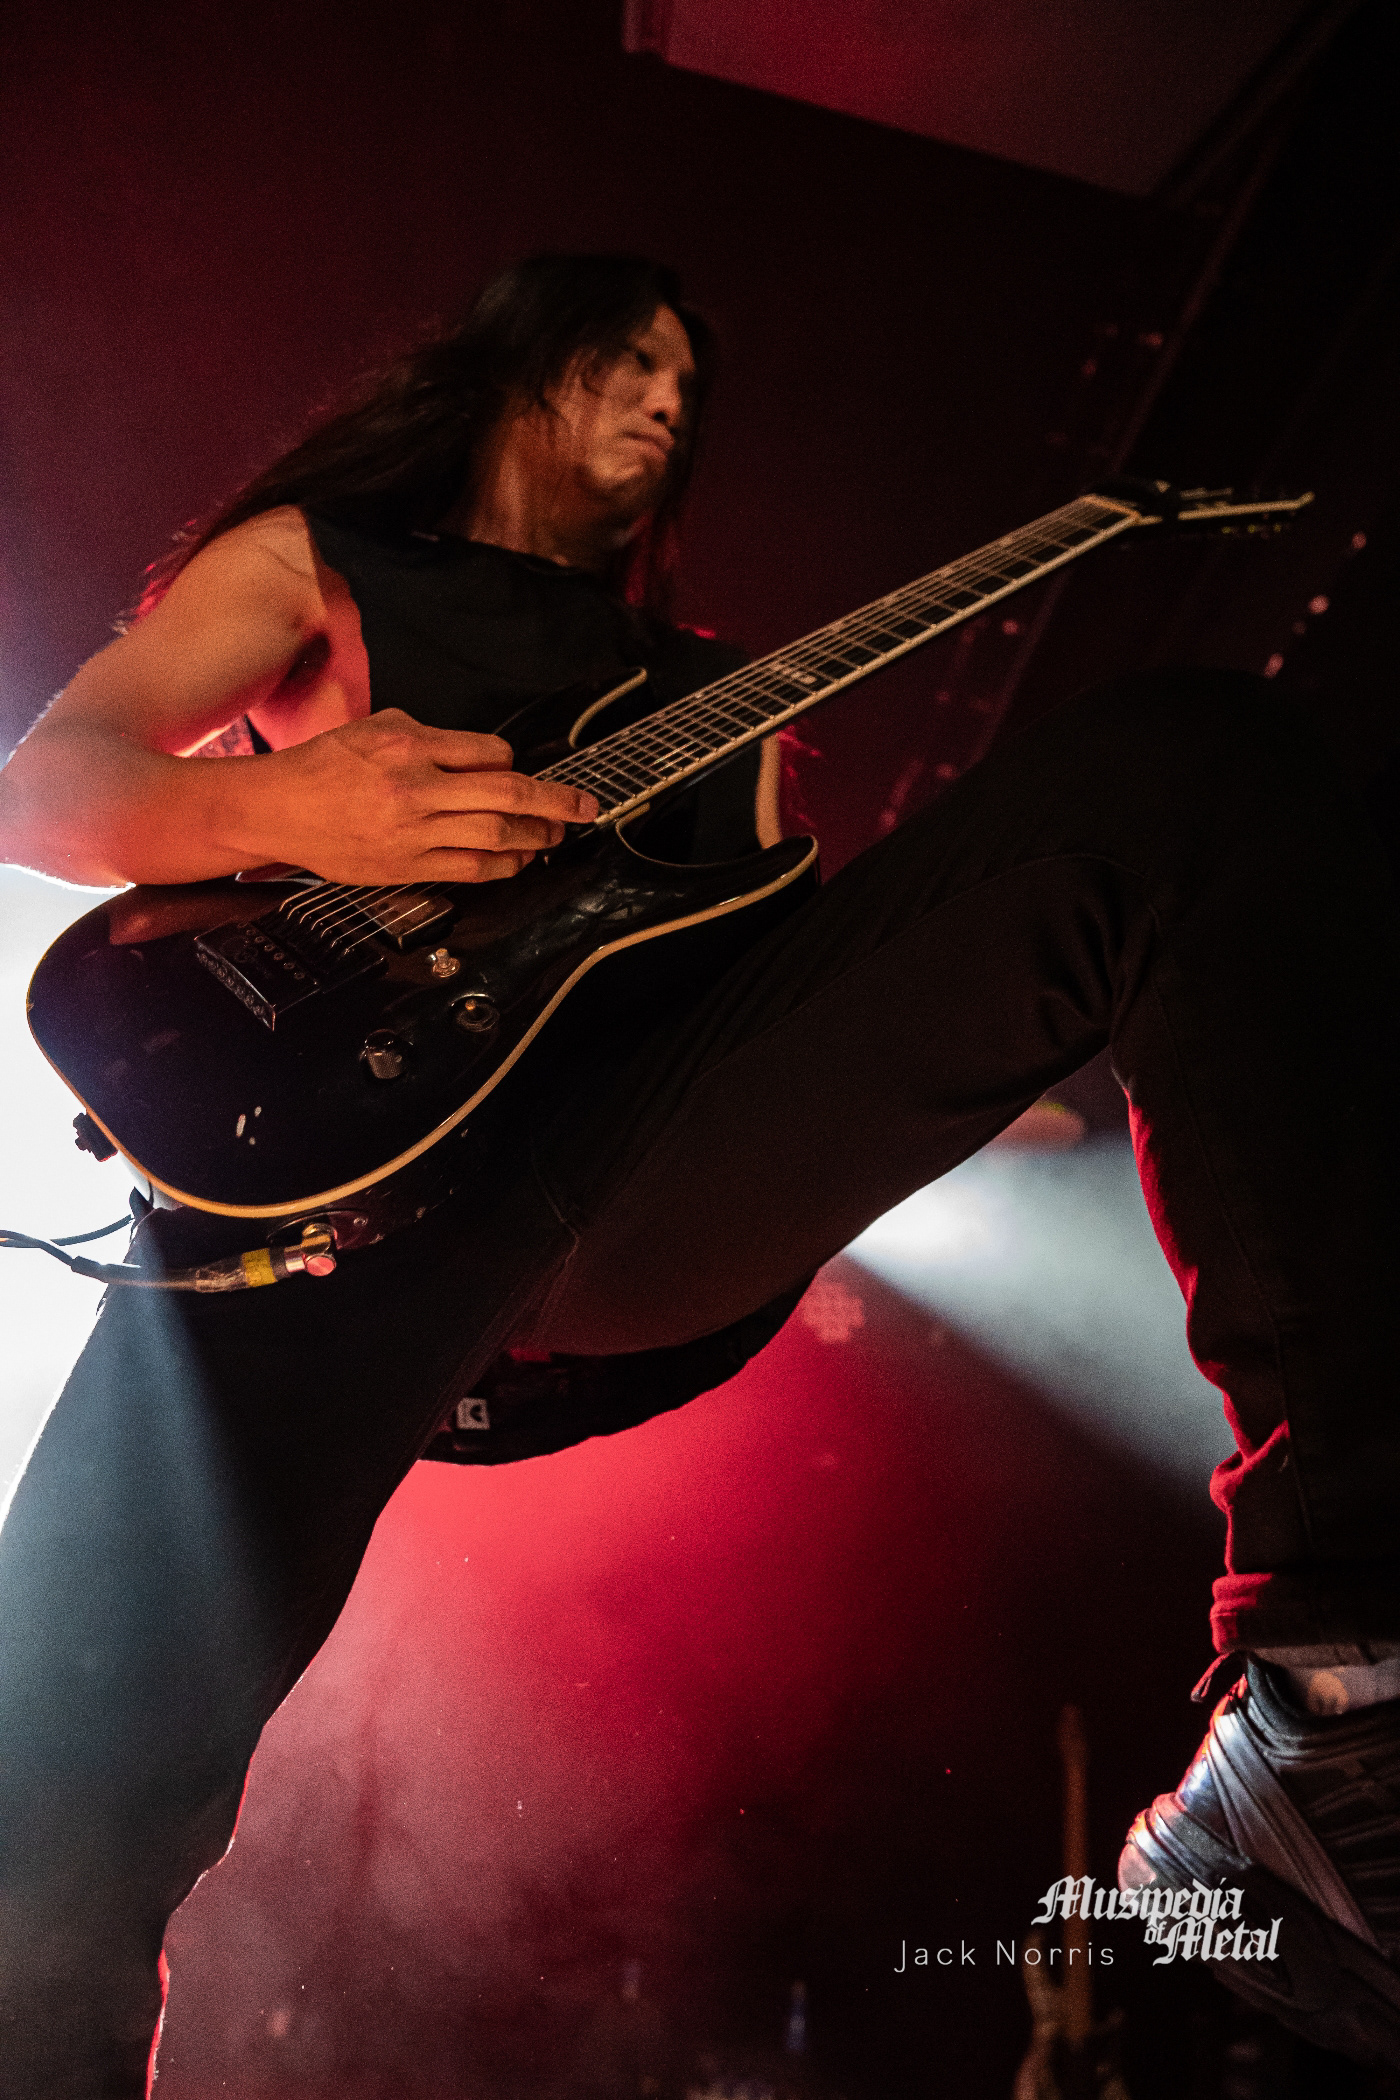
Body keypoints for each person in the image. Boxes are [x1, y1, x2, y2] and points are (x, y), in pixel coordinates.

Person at [0, 253, 1397, 2093]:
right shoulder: (325, 562)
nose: (667, 406)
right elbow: (46, 785)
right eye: (626, 362)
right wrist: (280, 804)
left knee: (1198, 773)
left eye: (687, 388)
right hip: (323, 1177)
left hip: (619, 1159)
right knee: (41, 1852)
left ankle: (1341, 1685)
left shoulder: (707, 701)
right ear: (516, 365)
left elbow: (754, 992)